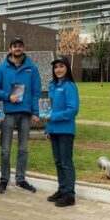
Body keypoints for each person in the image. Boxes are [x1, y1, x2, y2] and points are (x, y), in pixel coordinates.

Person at [0, 36, 42, 194]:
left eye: (20, 46)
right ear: (10, 49)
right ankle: (4, 179)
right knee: (5, 149)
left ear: (23, 48)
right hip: (7, 113)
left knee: (23, 149)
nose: (17, 48)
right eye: (14, 46)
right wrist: (8, 97)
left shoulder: (32, 68)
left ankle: (20, 179)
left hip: (25, 113)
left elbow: (36, 91)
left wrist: (36, 111)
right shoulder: (1, 68)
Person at [45, 55, 80, 207]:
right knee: (58, 162)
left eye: (61, 66)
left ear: (67, 68)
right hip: (54, 130)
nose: (58, 69)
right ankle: (62, 189)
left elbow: (73, 110)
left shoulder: (70, 86)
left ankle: (70, 195)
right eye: (56, 67)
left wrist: (54, 116)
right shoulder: (52, 86)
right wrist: (48, 128)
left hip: (66, 130)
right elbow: (48, 110)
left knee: (66, 162)